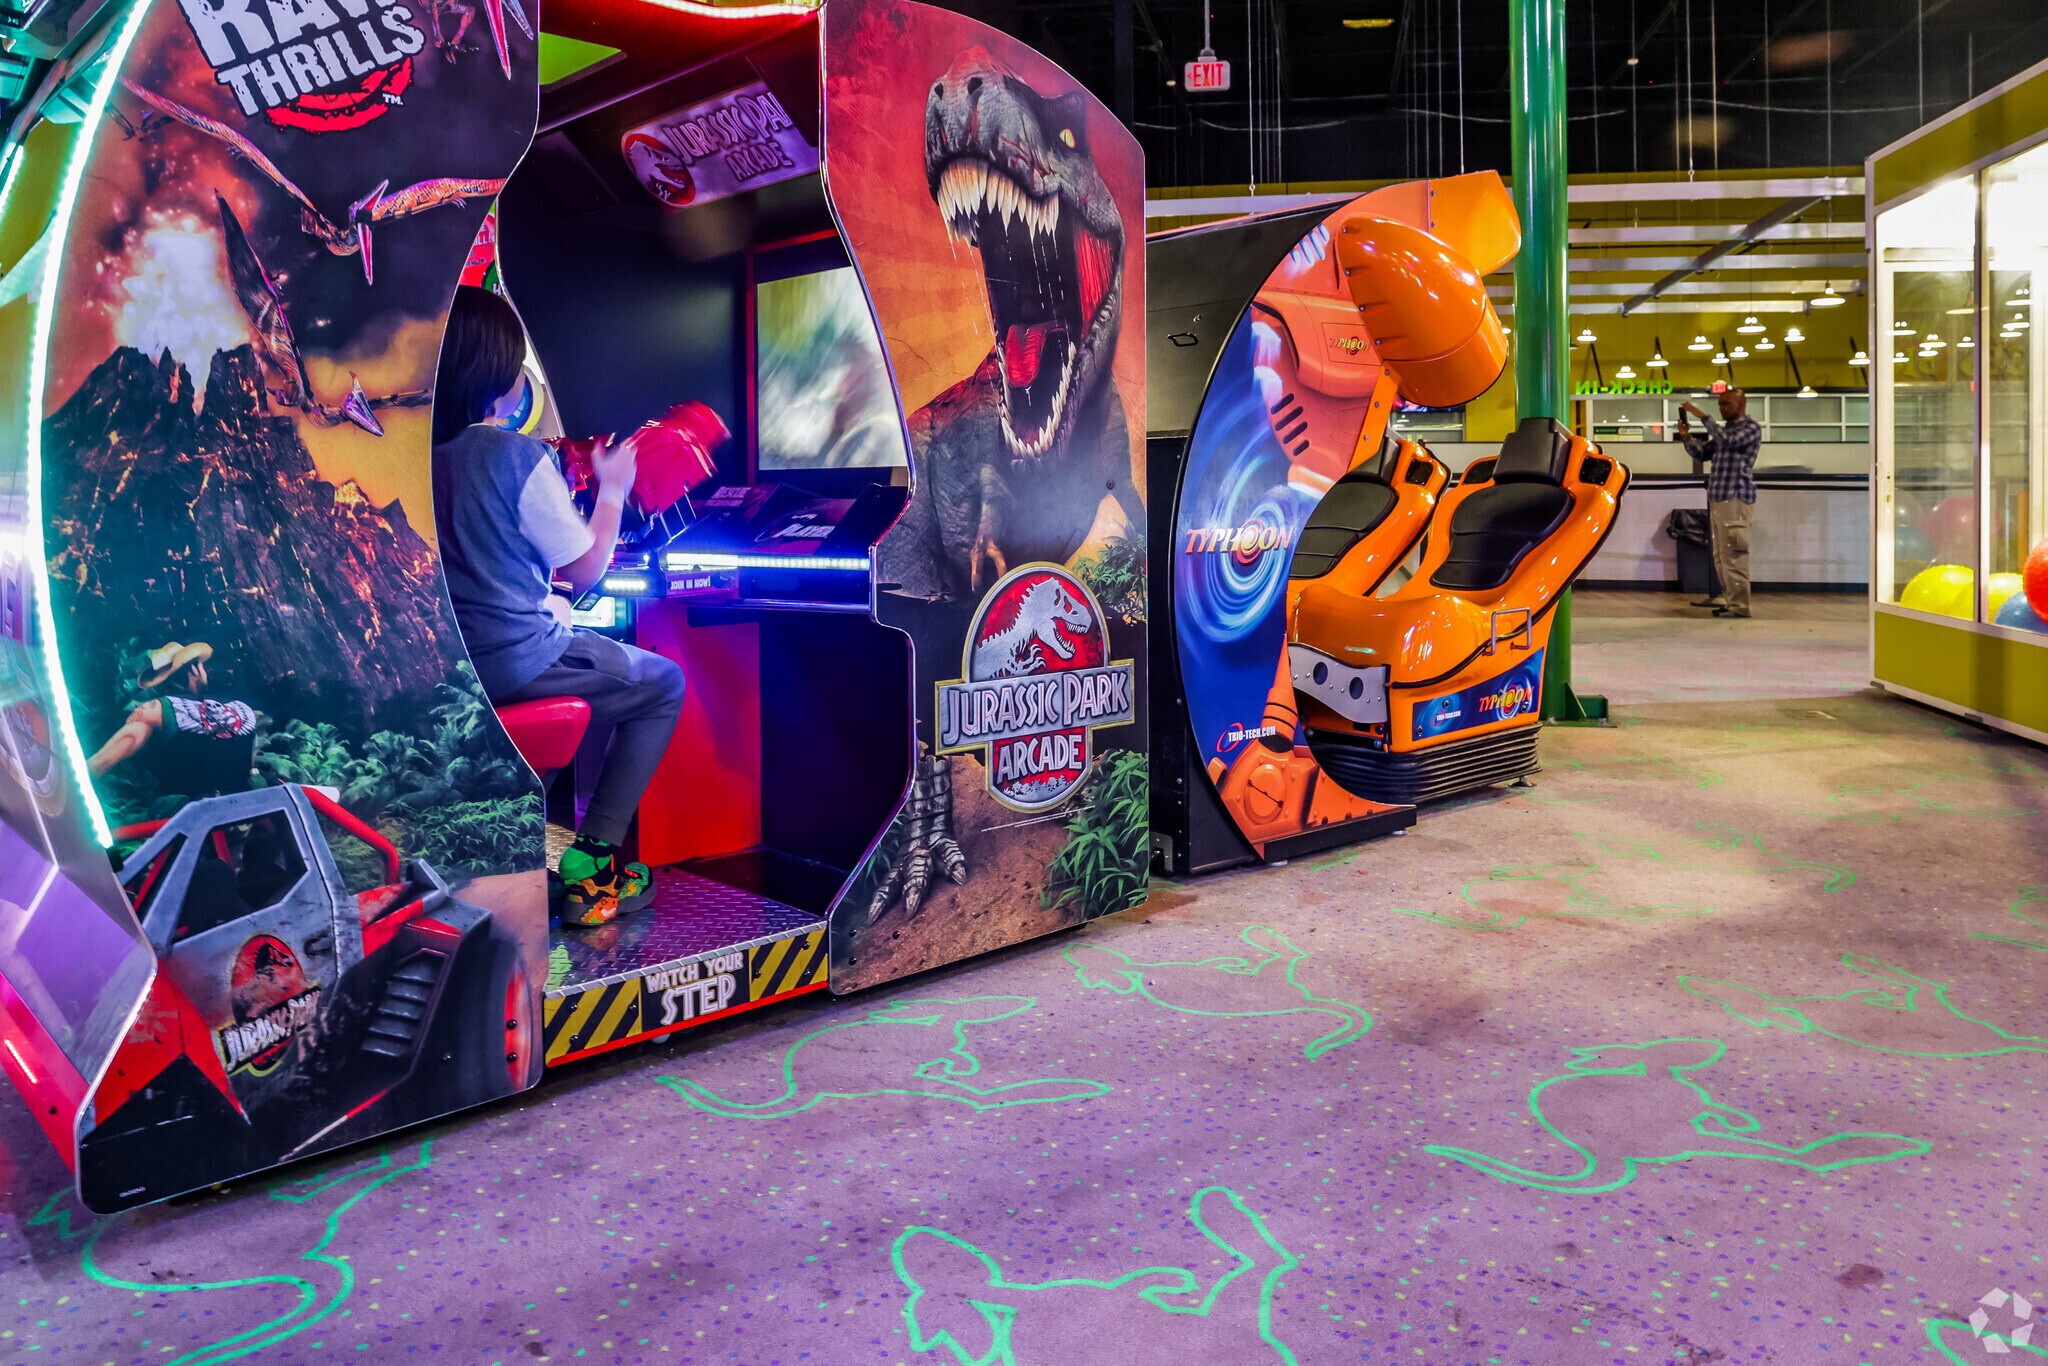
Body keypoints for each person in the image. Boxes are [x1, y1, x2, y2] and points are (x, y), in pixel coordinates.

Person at [431, 286, 686, 928]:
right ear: (498, 372)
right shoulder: (513, 457)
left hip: (459, 668)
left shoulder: (423, 458)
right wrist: (614, 489)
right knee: (663, 683)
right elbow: (585, 568)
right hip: (520, 659)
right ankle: (593, 868)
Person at [88, 641, 259, 797]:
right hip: (233, 802)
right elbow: (252, 762)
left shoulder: (158, 709)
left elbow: (136, 729)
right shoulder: (244, 709)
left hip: (192, 808)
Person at [1676, 387, 1762, 619]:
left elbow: (1728, 441)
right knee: (1721, 555)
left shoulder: (1750, 429)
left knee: (1734, 553)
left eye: (1726, 404)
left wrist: (1703, 416)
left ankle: (1740, 606)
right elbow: (1702, 452)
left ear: (1741, 405)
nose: (1722, 408)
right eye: (1720, 405)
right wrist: (1686, 437)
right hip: (1720, 498)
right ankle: (1731, 602)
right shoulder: (1727, 431)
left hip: (1736, 498)